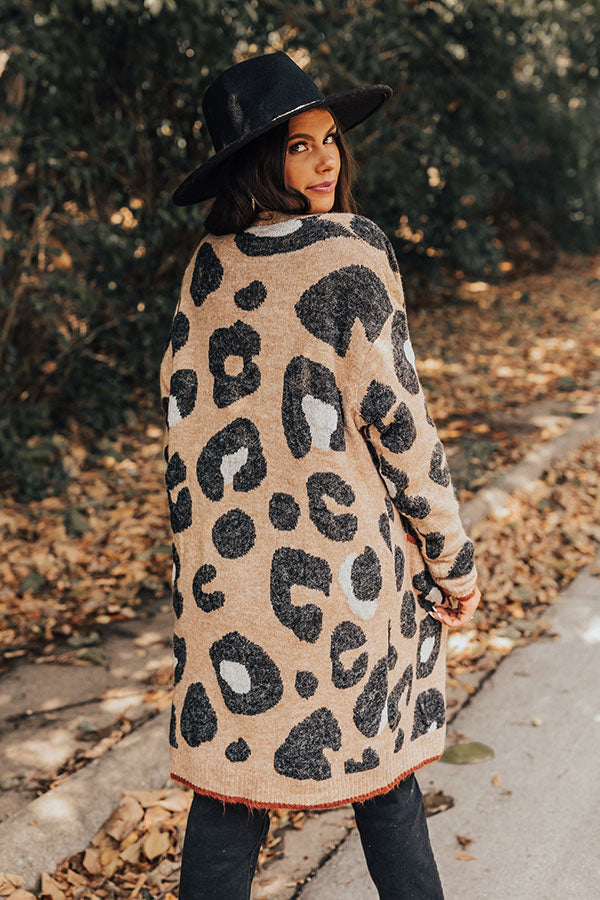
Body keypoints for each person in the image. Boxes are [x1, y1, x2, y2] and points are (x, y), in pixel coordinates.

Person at [160, 50, 481, 900]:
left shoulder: (206, 267)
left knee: (234, 797)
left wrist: (199, 579)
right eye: (298, 146)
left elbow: (185, 438)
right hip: (344, 583)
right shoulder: (353, 252)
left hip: (229, 585)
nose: (326, 158)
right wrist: (452, 559)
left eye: (329, 138)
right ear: (258, 163)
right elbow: (402, 425)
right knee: (388, 788)